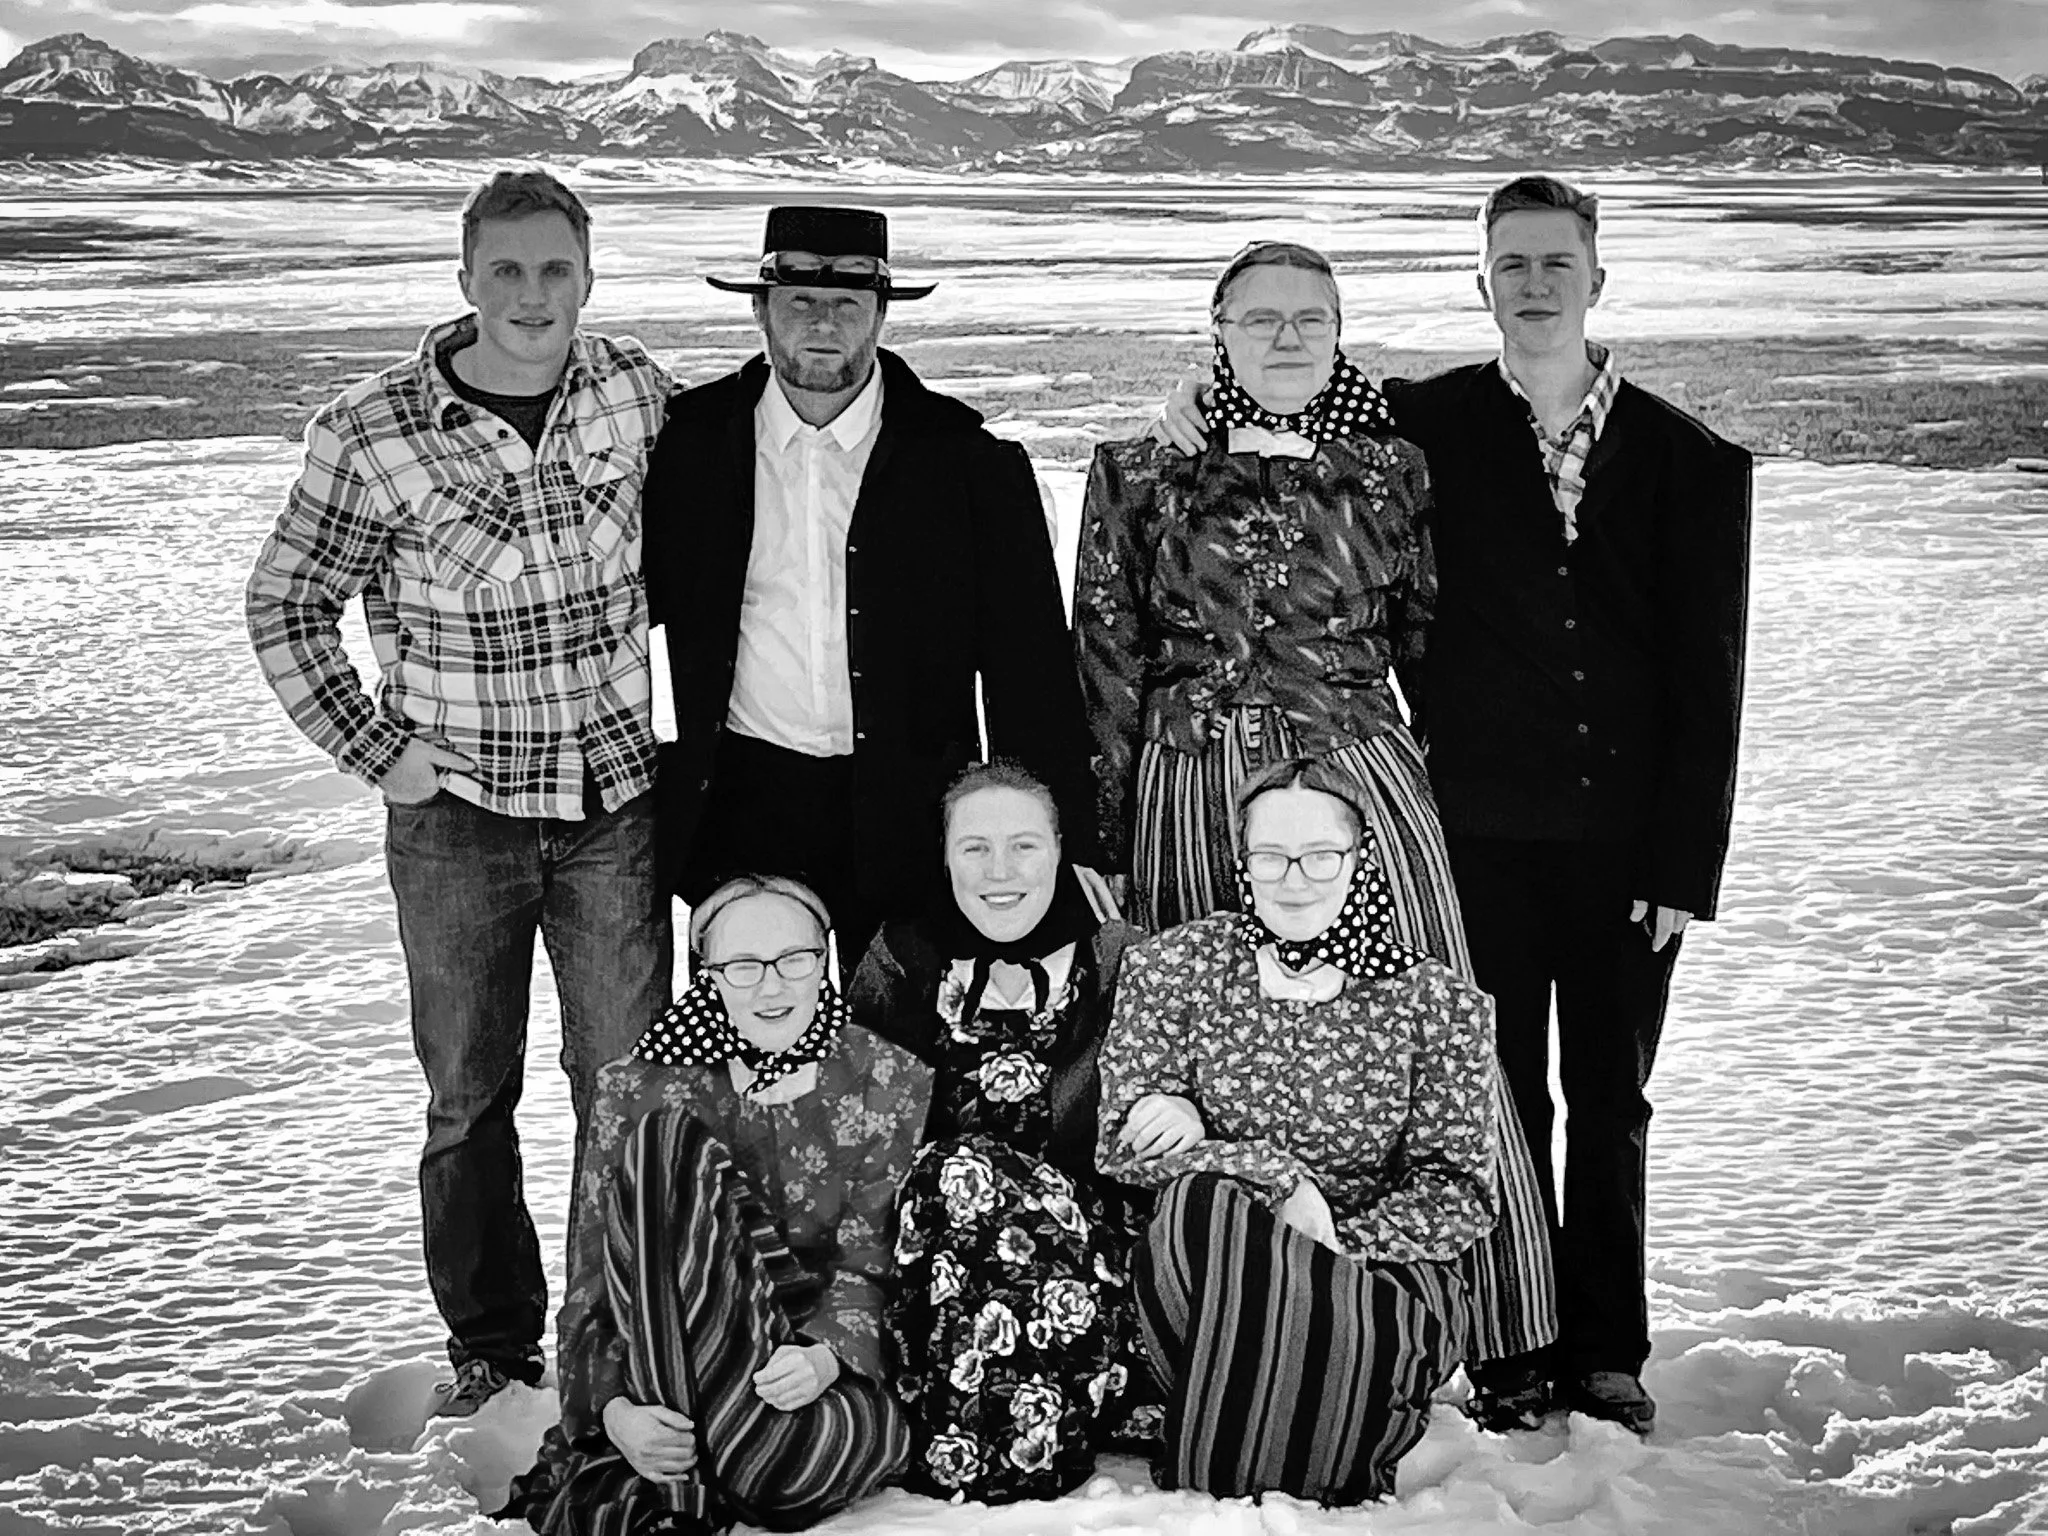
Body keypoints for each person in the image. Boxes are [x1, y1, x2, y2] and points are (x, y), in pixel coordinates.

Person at [1150, 176, 1754, 1433]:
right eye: (1508, 264)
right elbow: (1274, 395)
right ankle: (1512, 1340)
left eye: (1554, 261)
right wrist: (1185, 408)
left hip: (1622, 843)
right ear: (1479, 282)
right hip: (1474, 825)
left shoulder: (1693, 461)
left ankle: (1608, 1349)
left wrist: (1681, 863)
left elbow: (1711, 678)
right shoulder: (1421, 421)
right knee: (1496, 1088)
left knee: (1610, 1095)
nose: (1532, 283)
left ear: (1596, 276)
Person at [1077, 237, 1558, 1426]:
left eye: (1311, 317)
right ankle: (1193, 1319)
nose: (1286, 337)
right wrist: (1103, 827)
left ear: (1339, 330)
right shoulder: (1139, 469)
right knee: (1198, 1037)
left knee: (1432, 1014)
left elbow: (1426, 631)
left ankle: (1493, 1331)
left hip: (1356, 766)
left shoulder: (1392, 466)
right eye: (1260, 318)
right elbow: (1103, 647)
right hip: (1188, 780)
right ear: (1216, 327)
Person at [245, 168, 674, 1417]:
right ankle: (493, 1349)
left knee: (624, 1086)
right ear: (464, 279)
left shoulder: (634, 395)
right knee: (468, 1094)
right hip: (457, 820)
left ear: (588, 277)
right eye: (506, 270)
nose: (531, 296)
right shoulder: (372, 431)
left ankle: (619, 1334)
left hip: (612, 807)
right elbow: (286, 604)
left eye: (554, 269)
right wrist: (381, 754)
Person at [641, 204, 1101, 970]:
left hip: (916, 812)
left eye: (848, 305)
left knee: (909, 1056)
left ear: (882, 314)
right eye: (799, 303)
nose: (823, 324)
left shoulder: (969, 465)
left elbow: (1030, 672)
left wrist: (1063, 839)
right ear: (761, 309)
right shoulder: (688, 446)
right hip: (743, 804)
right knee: (756, 1047)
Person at [1095, 759, 1497, 1505]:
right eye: (1270, 856)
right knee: (1204, 1204)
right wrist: (1283, 1181)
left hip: (1372, 1266)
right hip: (1211, 1263)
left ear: (1360, 859)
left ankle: (1263, 1439)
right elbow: (1121, 1139)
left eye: (1320, 856)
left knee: (1352, 1311)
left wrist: (1330, 1242)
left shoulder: (1438, 1003)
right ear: (1241, 861)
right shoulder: (1176, 966)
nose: (1293, 879)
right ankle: (1305, 1423)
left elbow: (1461, 1193)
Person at [506, 874, 933, 1536]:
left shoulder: (886, 1080)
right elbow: (594, 1282)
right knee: (667, 1144)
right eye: (743, 967)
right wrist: (618, 1413)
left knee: (779, 1466)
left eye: (797, 960)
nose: (773, 986)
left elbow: (870, 1264)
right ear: (706, 974)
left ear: (824, 959)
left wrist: (823, 1357)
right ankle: (679, 1458)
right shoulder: (639, 1085)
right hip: (672, 1362)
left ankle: (699, 1475)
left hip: (807, 1392)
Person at [847, 761, 1157, 1504]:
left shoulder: (1122, 958)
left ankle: (1034, 1423)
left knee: (972, 1166)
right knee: (957, 1168)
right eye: (974, 848)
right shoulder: (902, 958)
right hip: (942, 1276)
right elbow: (859, 1131)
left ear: (1060, 851)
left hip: (1089, 1267)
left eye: (1024, 846)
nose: (1000, 871)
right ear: (945, 855)